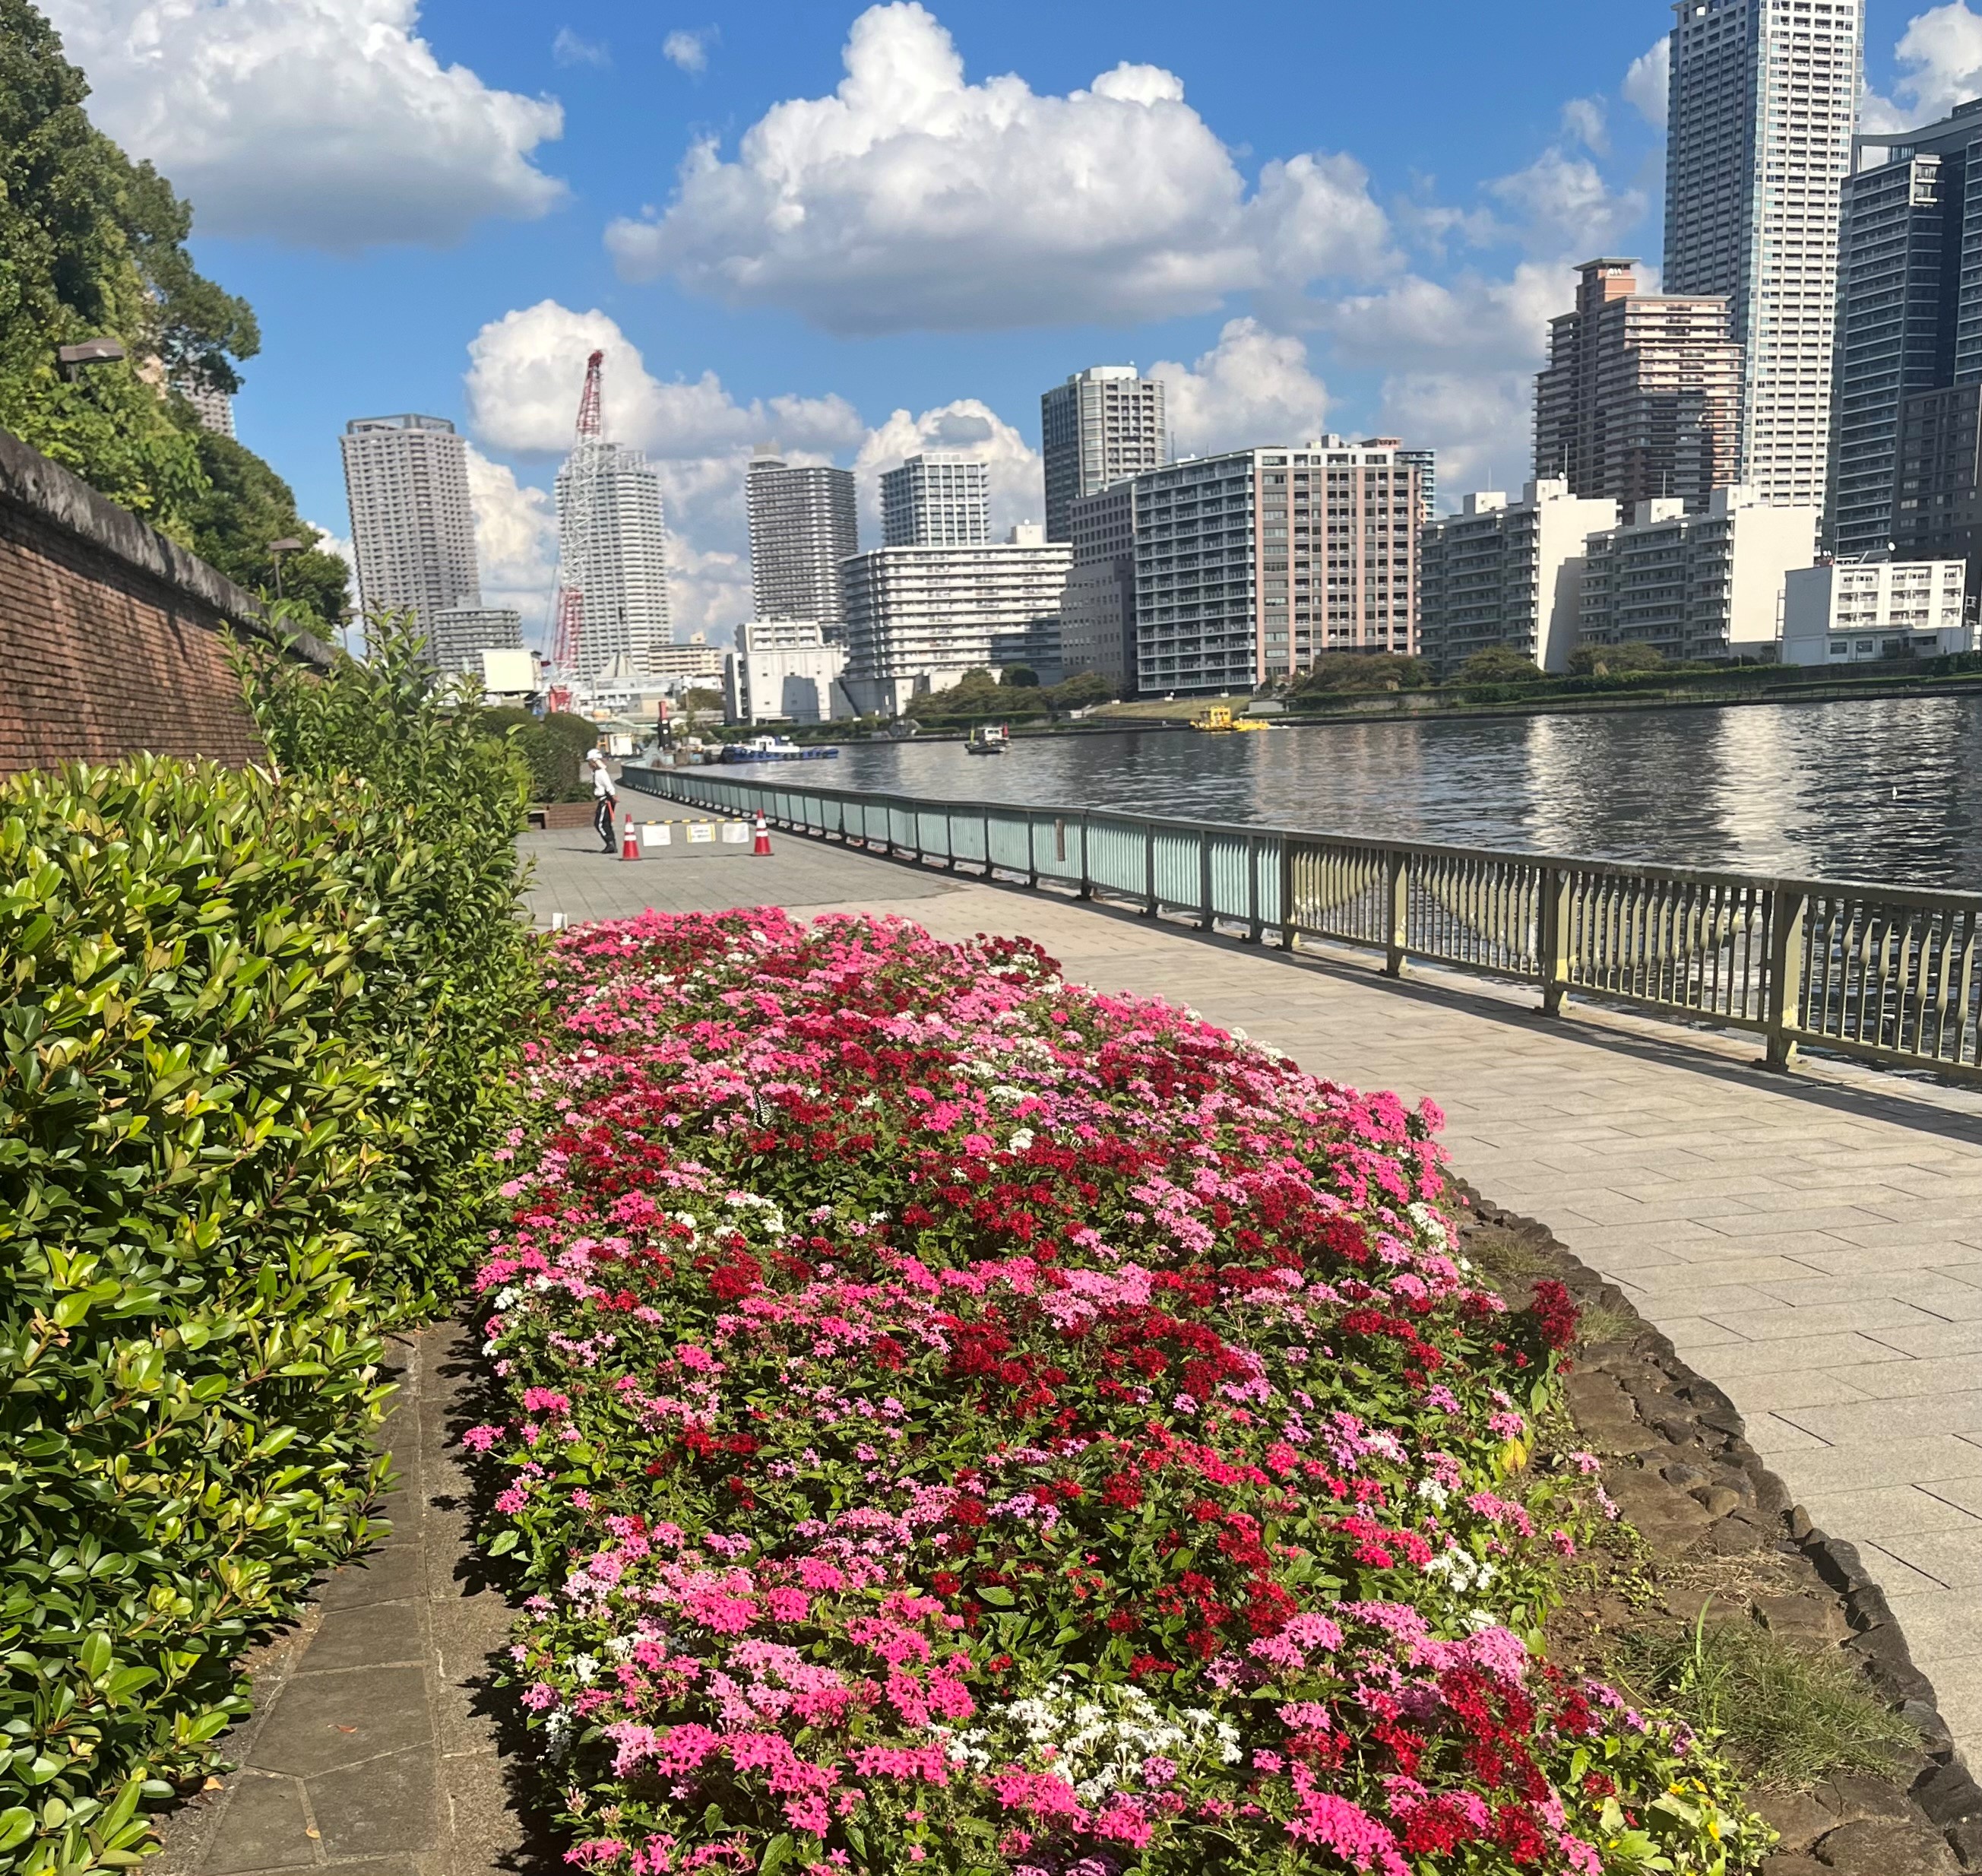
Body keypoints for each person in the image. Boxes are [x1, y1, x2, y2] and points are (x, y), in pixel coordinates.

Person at [587, 749, 619, 854]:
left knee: (600, 824)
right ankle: (611, 844)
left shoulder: (600, 773)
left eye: (590, 761)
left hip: (605, 800)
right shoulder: (597, 772)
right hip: (605, 799)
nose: (589, 764)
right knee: (606, 823)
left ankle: (610, 843)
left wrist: (613, 795)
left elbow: (608, 785)